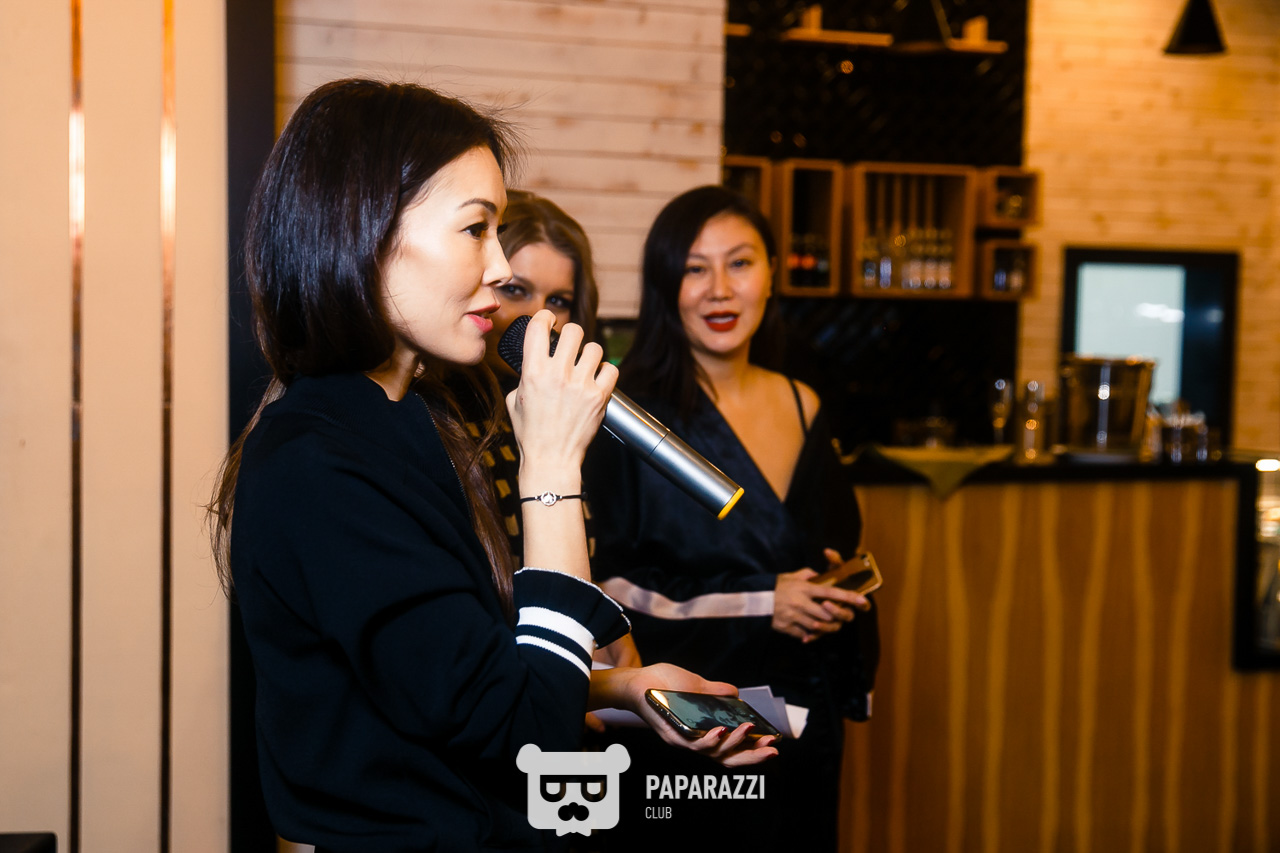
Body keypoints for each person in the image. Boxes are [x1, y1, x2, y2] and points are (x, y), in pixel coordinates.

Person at [208, 80, 776, 852]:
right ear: (364, 232)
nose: (500, 266)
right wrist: (552, 469)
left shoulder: (410, 421)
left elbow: (462, 684)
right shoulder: (317, 464)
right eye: (476, 228)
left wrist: (624, 685)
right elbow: (525, 735)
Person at [583, 185, 880, 851]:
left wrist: (830, 585)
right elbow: (606, 587)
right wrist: (763, 601)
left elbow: (830, 540)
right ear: (666, 285)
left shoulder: (803, 402)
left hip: (803, 715)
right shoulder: (627, 416)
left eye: (739, 263)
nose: (720, 290)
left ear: (771, 273)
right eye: (695, 268)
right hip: (692, 719)